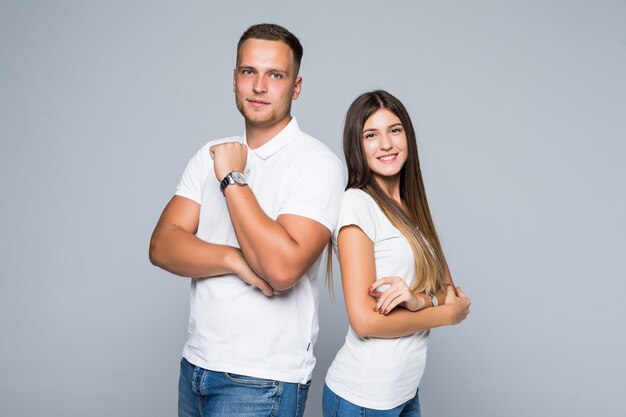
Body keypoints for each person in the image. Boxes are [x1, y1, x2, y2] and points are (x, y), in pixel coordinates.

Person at [149, 23, 344, 417]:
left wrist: (231, 178)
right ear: (234, 79)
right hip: (196, 366)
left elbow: (280, 269)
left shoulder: (316, 163)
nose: (259, 86)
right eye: (248, 72)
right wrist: (235, 260)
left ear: (296, 86)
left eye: (275, 75)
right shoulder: (210, 151)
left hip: (263, 381)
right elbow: (162, 246)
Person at [323, 90, 471, 417]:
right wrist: (446, 315)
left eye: (395, 130)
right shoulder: (357, 205)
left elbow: (447, 291)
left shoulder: (412, 207)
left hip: (404, 393)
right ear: (356, 146)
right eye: (371, 135)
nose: (386, 144)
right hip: (364, 398)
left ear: (408, 136)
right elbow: (364, 320)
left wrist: (421, 300)